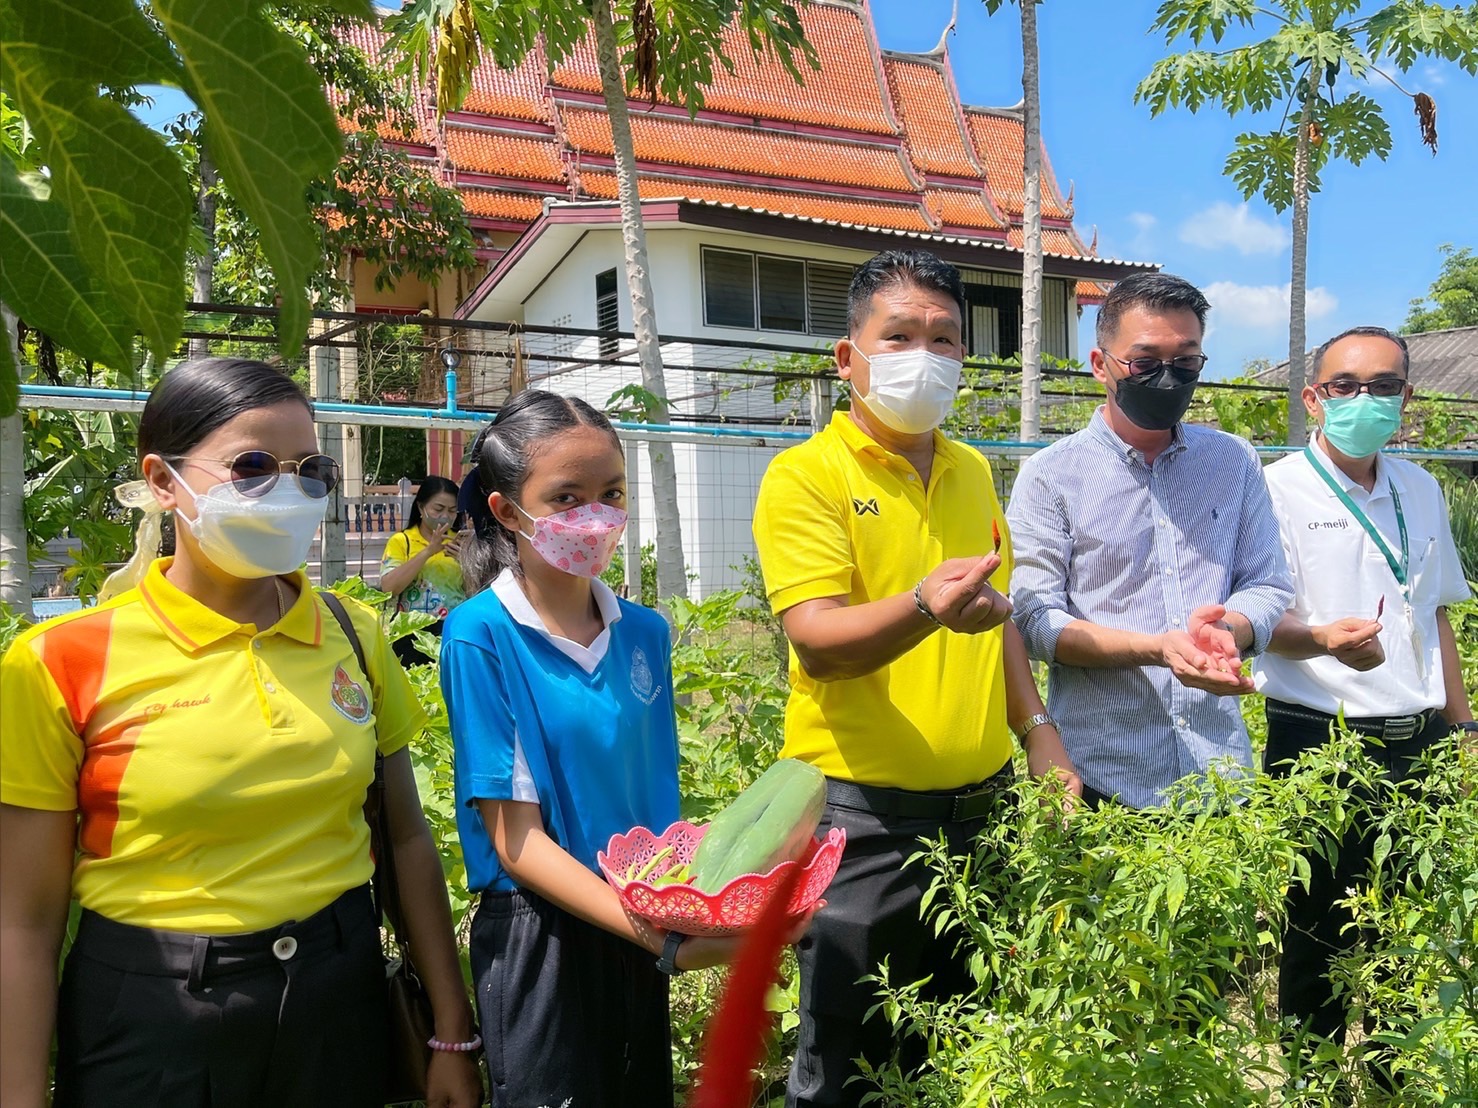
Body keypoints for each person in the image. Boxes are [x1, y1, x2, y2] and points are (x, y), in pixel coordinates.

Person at [0, 359, 481, 1108]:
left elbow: (407, 839)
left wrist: (450, 1025)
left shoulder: (351, 634)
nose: (286, 492)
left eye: (309, 469)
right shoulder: (58, 661)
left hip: (338, 1002)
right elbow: (24, 922)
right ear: (163, 481)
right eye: (251, 466)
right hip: (155, 1021)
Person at [751, 250, 1080, 1108]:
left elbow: (996, 616)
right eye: (898, 336)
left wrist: (1037, 732)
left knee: (969, 1063)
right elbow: (818, 640)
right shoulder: (806, 477)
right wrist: (926, 607)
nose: (924, 356)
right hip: (863, 827)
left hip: (987, 811)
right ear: (846, 356)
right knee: (848, 1074)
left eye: (944, 339)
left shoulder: (972, 470)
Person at [440, 390, 752, 1107]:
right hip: (541, 934)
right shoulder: (480, 635)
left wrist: (699, 899)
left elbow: (652, 791)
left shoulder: (644, 632)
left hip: (638, 918)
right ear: (507, 512)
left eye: (611, 493)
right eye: (567, 496)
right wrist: (663, 942)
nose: (596, 516)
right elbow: (516, 843)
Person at [1254, 326, 1475, 1069]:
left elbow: (1434, 611)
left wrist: (1464, 728)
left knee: (1409, 935)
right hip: (1319, 740)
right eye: (1345, 386)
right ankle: (1314, 1081)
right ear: (1314, 398)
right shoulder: (1275, 488)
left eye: (1384, 387)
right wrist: (1321, 640)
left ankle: (1391, 1081)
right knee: (1315, 934)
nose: (1365, 400)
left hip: (1419, 742)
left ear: (1407, 401)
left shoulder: (1421, 487)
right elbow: (1259, 622)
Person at [1007, 272, 1293, 810]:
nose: (1168, 378)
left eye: (1185, 362)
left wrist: (1229, 631)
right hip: (1102, 775)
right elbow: (1035, 620)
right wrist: (1156, 649)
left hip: (1222, 778)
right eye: (1144, 363)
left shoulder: (1233, 461)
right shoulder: (1052, 475)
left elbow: (1266, 582)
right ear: (1101, 366)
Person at [380, 475, 468, 666]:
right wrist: (428, 551)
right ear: (421, 508)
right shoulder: (401, 541)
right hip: (410, 633)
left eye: (452, 511)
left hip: (453, 630)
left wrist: (466, 561)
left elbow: (475, 592)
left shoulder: (462, 543)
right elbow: (388, 587)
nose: (445, 516)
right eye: (438, 509)